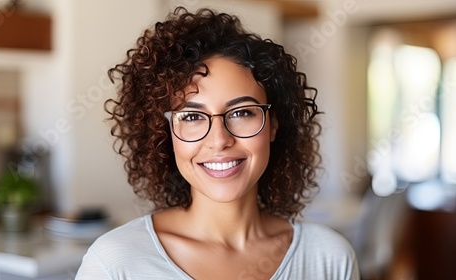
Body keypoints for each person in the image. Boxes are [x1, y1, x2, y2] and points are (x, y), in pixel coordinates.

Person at [76, 6, 360, 280]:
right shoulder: (115, 263)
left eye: (241, 112)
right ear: (165, 133)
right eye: (192, 116)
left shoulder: (329, 258)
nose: (219, 139)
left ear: (273, 124)